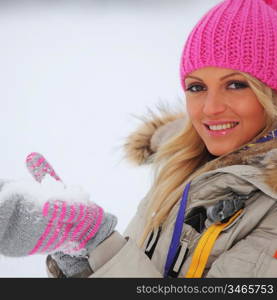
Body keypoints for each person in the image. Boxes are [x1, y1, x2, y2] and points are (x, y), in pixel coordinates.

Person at [1, 0, 277, 278]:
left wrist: (98, 242)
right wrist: (82, 260)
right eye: (196, 87)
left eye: (236, 84)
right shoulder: (182, 169)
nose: (210, 107)